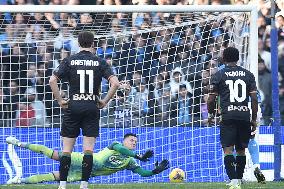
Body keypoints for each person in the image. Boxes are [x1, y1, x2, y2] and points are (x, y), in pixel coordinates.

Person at [49, 31, 120, 189]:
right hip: (91, 106)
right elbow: (115, 83)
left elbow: (52, 80)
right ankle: (84, 185)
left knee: (66, 150)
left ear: (78, 43)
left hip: (73, 105)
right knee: (88, 150)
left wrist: (60, 100)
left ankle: (62, 185)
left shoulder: (69, 60)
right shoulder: (99, 61)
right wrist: (104, 101)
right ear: (93, 43)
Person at [5, 133, 170, 184]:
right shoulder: (115, 145)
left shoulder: (130, 162)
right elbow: (122, 150)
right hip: (83, 160)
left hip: (86, 174)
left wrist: (155, 171)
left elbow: (143, 173)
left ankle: (19, 182)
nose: (133, 142)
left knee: (54, 177)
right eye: (131, 140)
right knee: (53, 154)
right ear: (124, 141)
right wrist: (138, 156)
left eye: (135, 142)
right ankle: (19, 143)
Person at [207, 47, 258, 189]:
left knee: (228, 149)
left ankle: (234, 181)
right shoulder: (248, 75)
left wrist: (211, 115)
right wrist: (253, 119)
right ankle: (239, 180)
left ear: (224, 58)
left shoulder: (219, 75)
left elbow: (211, 100)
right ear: (238, 59)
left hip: (227, 116)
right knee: (241, 150)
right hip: (244, 116)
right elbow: (254, 99)